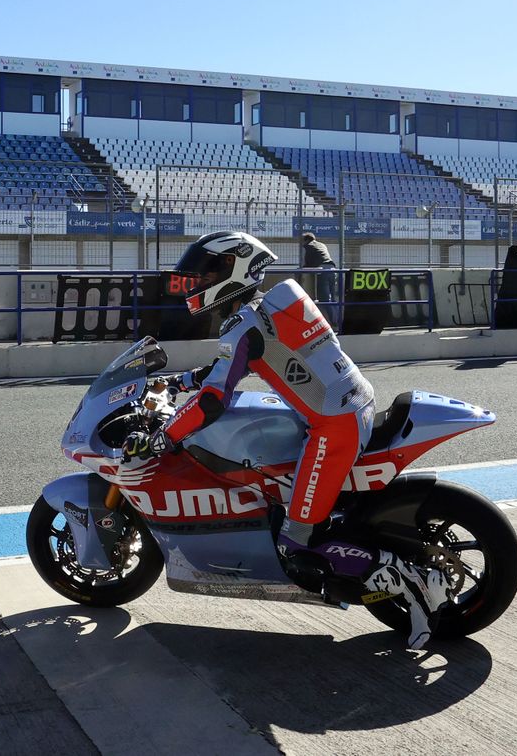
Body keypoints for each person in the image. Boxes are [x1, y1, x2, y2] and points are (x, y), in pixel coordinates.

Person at [122, 230, 447, 649]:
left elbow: (213, 401)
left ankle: (416, 581)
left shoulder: (244, 324)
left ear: (233, 272)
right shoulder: (274, 303)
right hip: (351, 406)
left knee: (296, 546)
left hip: (334, 428)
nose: (197, 285)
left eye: (204, 276)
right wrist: (178, 380)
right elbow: (231, 369)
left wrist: (163, 438)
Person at [299, 232, 337, 307]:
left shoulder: (308, 246)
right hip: (332, 269)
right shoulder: (322, 245)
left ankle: (330, 318)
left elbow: (308, 264)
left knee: (324, 300)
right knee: (333, 299)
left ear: (306, 240)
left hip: (322, 271)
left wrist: (301, 272)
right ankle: (337, 317)